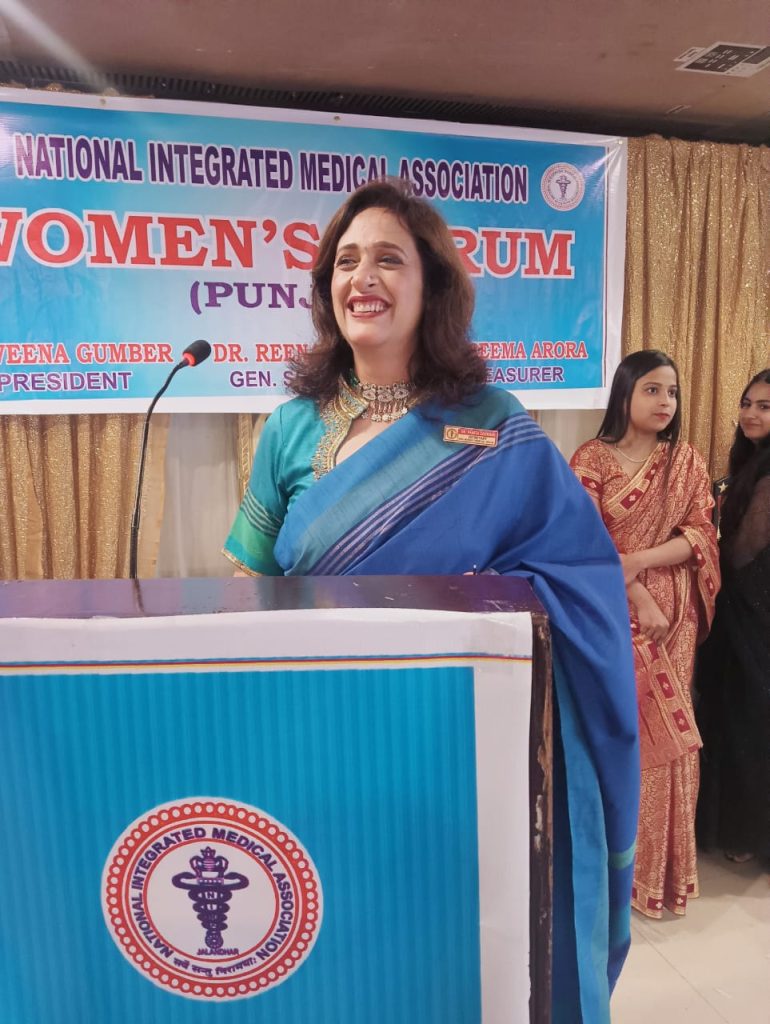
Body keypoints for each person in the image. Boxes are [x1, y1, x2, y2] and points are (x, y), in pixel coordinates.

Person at [224, 179, 639, 1022]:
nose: (362, 277)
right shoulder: (291, 426)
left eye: (389, 259)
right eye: (346, 261)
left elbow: (579, 573)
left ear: (431, 285)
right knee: (332, 938)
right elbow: (248, 584)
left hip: (448, 748)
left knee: (434, 943)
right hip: (317, 735)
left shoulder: (494, 424)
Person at [570, 350, 720, 919]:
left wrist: (639, 561)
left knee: (672, 743)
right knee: (626, 732)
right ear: (625, 394)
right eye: (652, 390)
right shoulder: (591, 458)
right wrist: (634, 591)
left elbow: (701, 535)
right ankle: (615, 870)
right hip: (614, 614)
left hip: (675, 617)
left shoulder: (685, 459)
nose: (665, 402)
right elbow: (584, 545)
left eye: (672, 392)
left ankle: (661, 876)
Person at [695, 368, 770, 866]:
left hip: (755, 614)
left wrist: (697, 550)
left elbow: (743, 551)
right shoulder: (749, 463)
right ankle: (735, 830)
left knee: (749, 718)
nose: (750, 413)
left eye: (764, 406)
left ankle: (748, 834)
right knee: (731, 712)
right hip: (739, 609)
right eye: (746, 403)